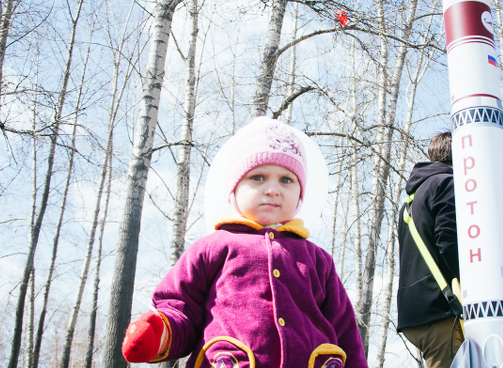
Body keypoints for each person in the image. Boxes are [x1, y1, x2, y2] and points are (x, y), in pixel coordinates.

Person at [120, 117, 367, 368]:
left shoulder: (317, 259)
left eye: (286, 180)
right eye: (258, 177)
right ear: (234, 188)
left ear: (300, 194)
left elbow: (345, 329)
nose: (273, 189)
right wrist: (159, 333)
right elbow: (182, 308)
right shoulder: (212, 247)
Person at [396, 131, 463, 368]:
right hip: (442, 308)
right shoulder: (447, 183)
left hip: (413, 311)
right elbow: (448, 241)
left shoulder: (411, 199)